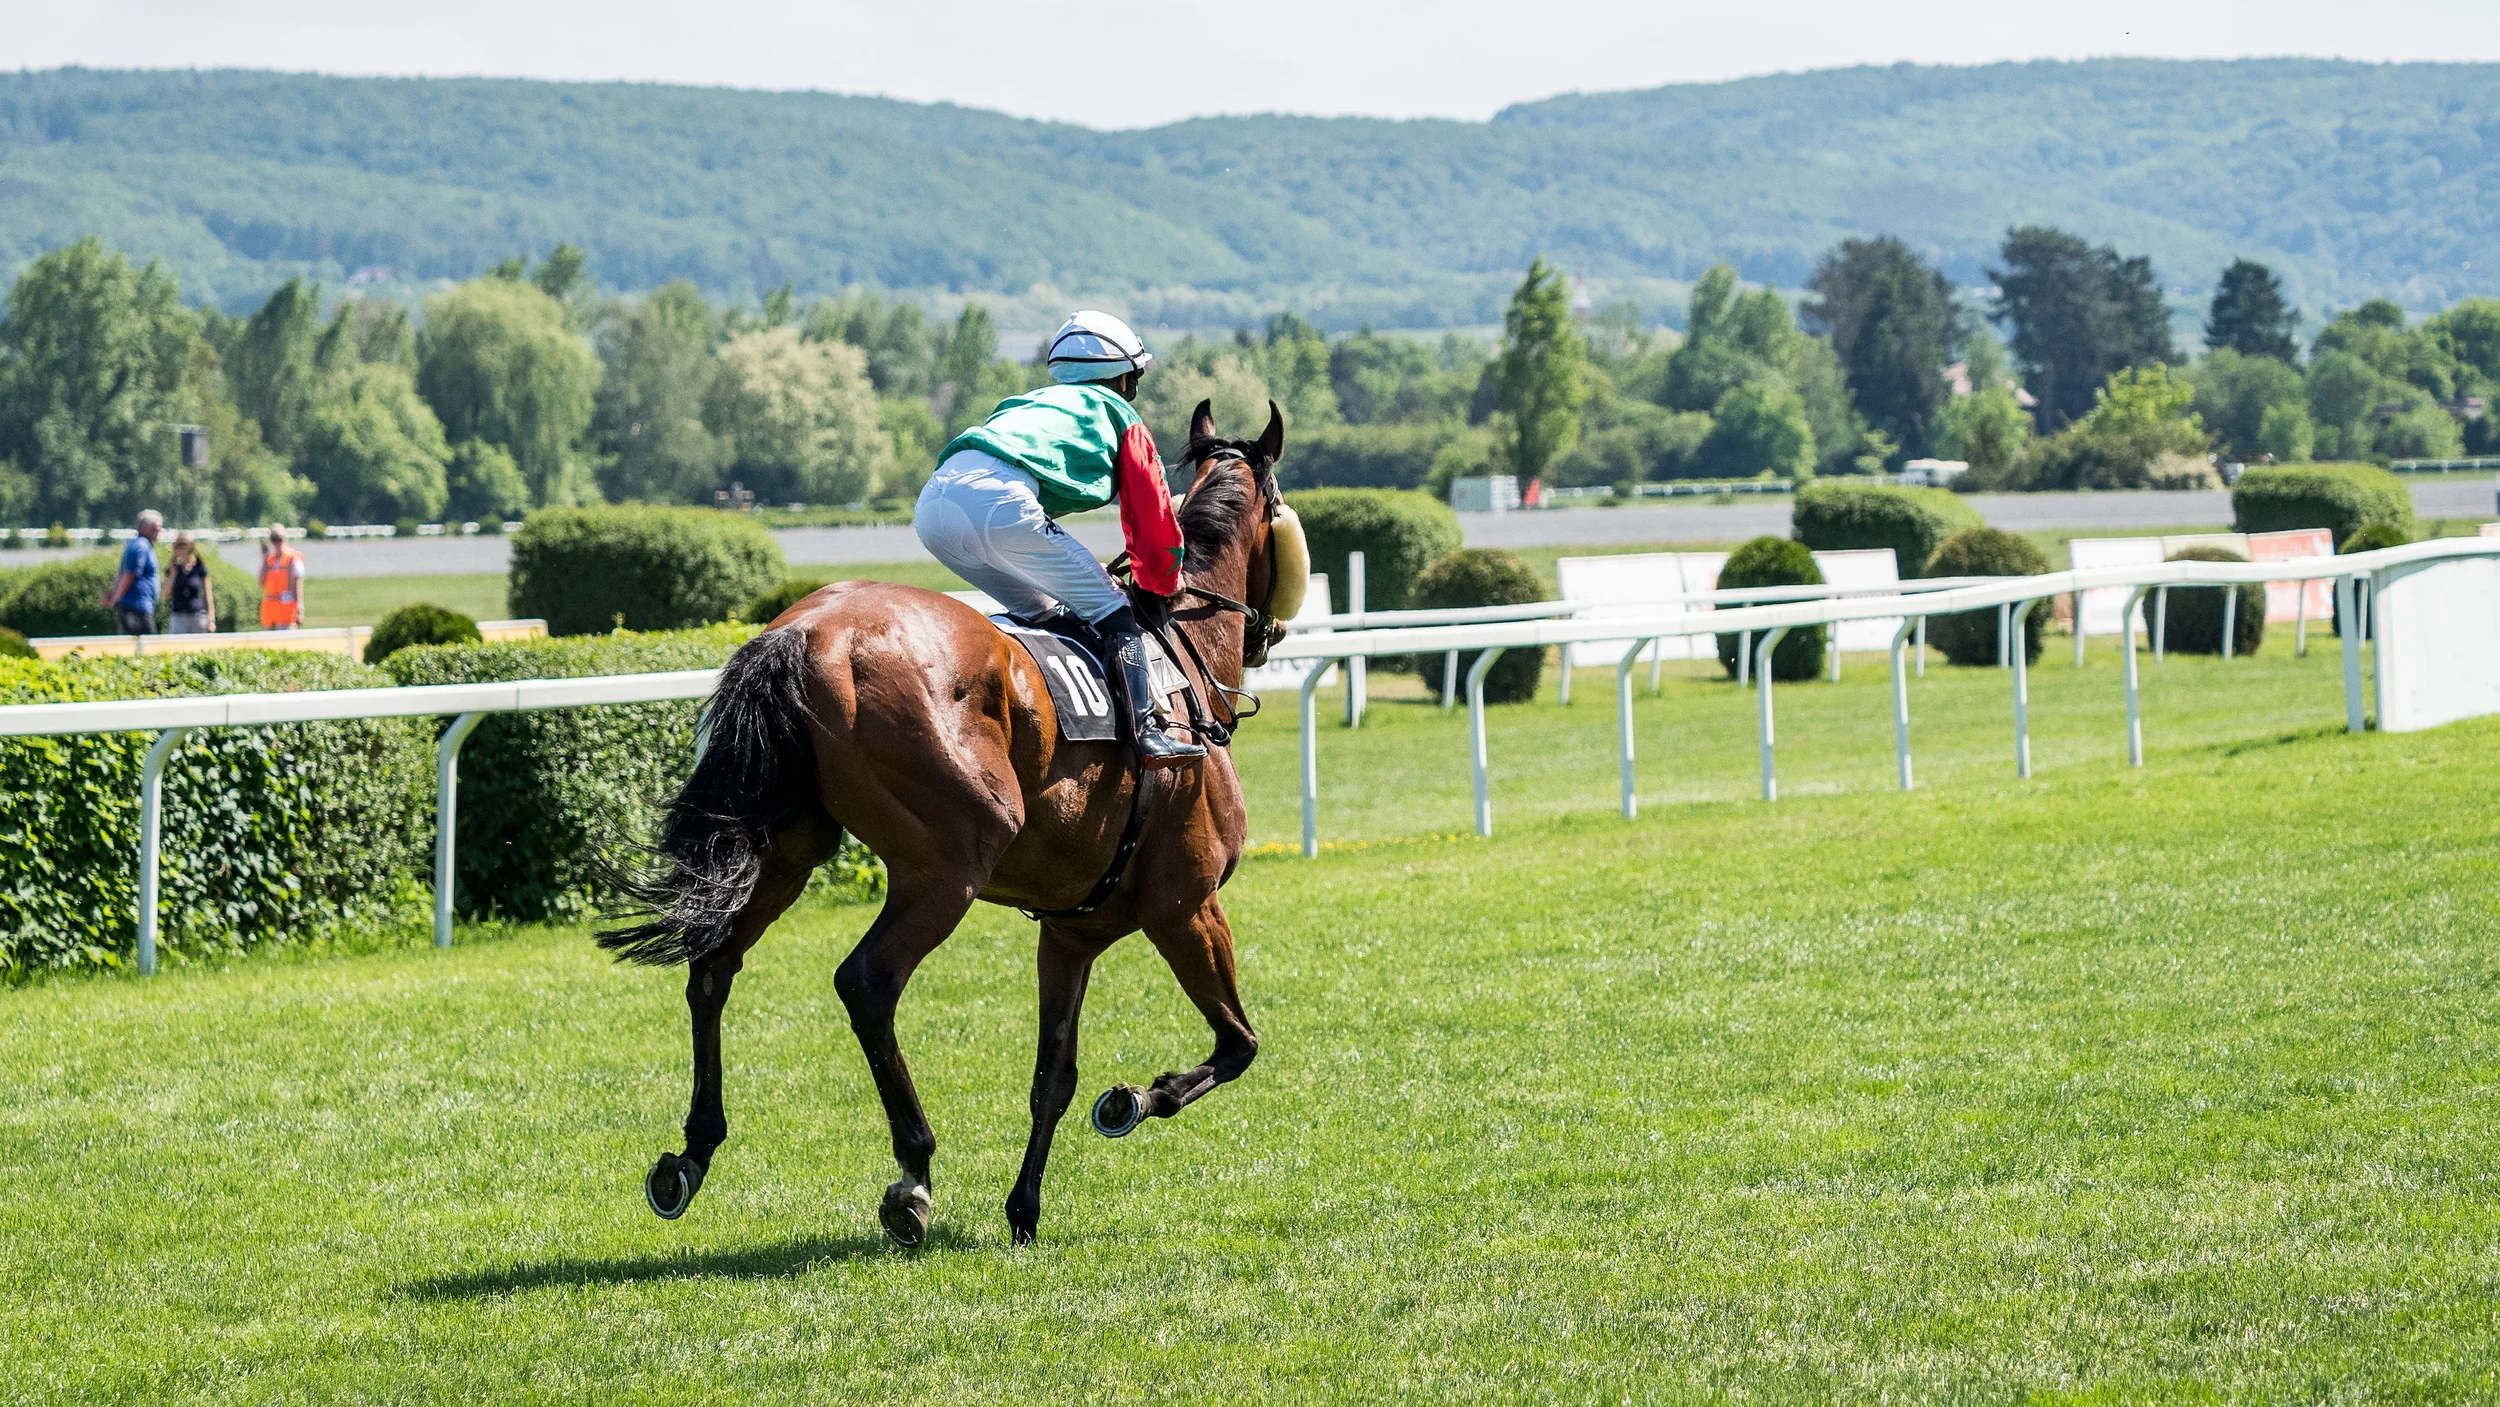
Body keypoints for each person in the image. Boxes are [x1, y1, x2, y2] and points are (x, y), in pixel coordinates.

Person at [914, 310, 1200, 769]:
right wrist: (1162, 582)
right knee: (1114, 609)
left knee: (1045, 612)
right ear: (1124, 378)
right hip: (998, 505)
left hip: (932, 509)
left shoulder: (1028, 403)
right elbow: (1152, 518)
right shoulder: (1120, 415)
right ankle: (1146, 733)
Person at [100, 509, 163, 636]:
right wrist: (114, 598)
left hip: (137, 606)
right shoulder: (141, 546)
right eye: (156, 528)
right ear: (144, 529)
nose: (159, 532)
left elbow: (122, 574)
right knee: (146, 647)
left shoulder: (138, 545)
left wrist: (113, 594)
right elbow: (130, 574)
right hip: (136, 606)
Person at [165, 533, 216, 634]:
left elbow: (208, 595)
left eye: (182, 545)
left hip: (197, 614)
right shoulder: (172, 568)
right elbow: (165, 594)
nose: (178, 548)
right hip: (178, 614)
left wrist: (211, 619)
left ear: (191, 547)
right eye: (176, 545)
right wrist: (173, 574)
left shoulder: (199, 567)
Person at [259, 525, 306, 630]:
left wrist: (300, 609)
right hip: (270, 613)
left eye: (279, 539)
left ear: (285, 539)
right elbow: (261, 582)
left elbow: (298, 585)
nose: (277, 543)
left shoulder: (293, 559)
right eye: (274, 539)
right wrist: (264, 559)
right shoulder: (269, 560)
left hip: (286, 612)